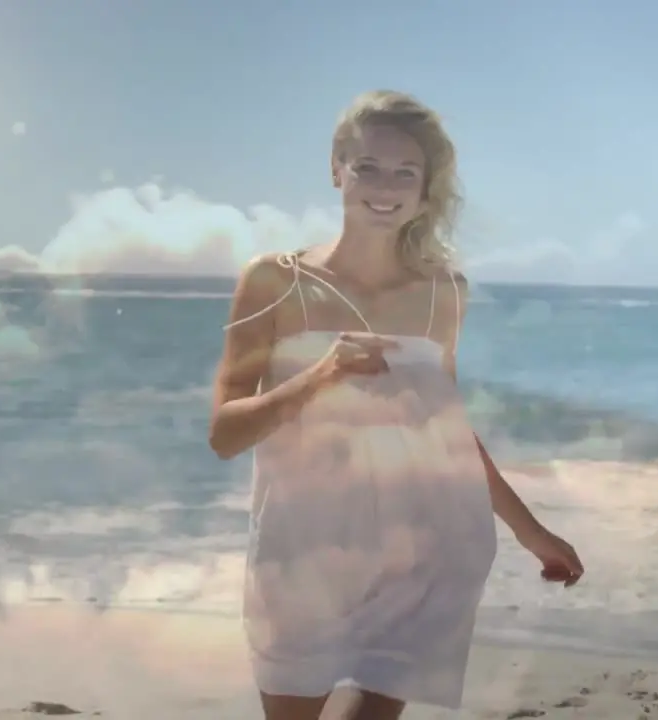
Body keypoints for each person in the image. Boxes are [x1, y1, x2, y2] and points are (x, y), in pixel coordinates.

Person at [208, 89, 584, 720]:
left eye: (405, 172)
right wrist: (320, 376)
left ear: (425, 185)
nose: (385, 186)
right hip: (300, 556)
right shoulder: (275, 282)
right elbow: (224, 433)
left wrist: (531, 532)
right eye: (367, 168)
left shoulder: (443, 292)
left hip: (420, 552)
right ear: (337, 169)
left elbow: (449, 433)